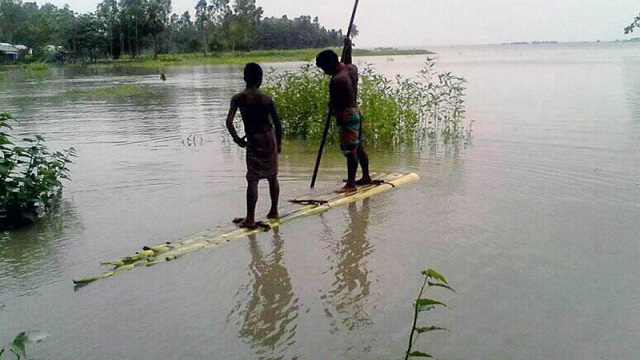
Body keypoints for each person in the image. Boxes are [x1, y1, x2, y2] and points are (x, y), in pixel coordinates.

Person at [226, 63, 282, 229]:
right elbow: (278, 124)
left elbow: (229, 122)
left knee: (253, 178)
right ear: (260, 79)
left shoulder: (238, 98)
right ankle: (274, 210)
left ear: (245, 78)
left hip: (254, 139)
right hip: (269, 138)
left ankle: (250, 219)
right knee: (272, 176)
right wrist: (278, 143)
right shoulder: (266, 99)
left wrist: (237, 139)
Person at [316, 37, 371, 193]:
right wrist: (347, 48)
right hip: (356, 112)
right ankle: (366, 176)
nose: (324, 72)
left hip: (346, 115)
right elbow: (346, 61)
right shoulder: (351, 70)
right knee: (359, 147)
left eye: (323, 68)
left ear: (330, 64)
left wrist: (331, 107)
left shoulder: (336, 80)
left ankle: (351, 185)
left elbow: (335, 104)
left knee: (350, 151)